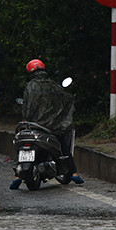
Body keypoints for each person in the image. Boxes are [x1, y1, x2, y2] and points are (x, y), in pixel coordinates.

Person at [11, 58, 84, 189]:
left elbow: (26, 107)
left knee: (20, 142)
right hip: (52, 125)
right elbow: (65, 99)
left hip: (32, 125)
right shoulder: (52, 85)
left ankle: (17, 176)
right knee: (63, 145)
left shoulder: (29, 87)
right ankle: (73, 172)